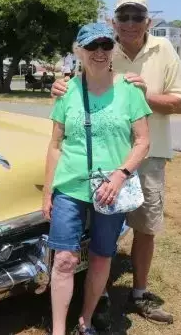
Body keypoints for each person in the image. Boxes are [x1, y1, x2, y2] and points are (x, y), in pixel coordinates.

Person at [50, 0, 181, 326]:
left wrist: (144, 96)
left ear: (148, 21)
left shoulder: (163, 50)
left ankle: (139, 292)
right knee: (90, 234)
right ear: (113, 23)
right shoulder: (101, 46)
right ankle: (97, 299)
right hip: (93, 162)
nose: (130, 23)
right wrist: (60, 86)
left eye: (137, 16)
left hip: (146, 155)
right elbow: (74, 90)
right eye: (123, 17)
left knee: (143, 226)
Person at [43, 22, 151, 335]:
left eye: (105, 46)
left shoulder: (129, 91)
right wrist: (47, 192)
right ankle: (59, 330)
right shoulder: (67, 91)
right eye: (92, 47)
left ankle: (86, 320)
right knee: (63, 259)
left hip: (112, 190)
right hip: (71, 187)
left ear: (113, 49)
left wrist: (120, 176)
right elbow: (54, 145)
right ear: (79, 52)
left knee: (102, 257)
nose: (99, 53)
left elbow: (143, 141)